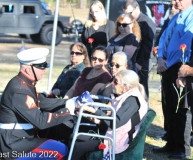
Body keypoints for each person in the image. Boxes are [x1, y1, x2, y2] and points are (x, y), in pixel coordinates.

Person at [0, 48, 75, 160]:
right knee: (61, 150)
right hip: (12, 143)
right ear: (29, 70)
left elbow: (43, 102)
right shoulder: (20, 89)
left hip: (17, 138)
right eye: (41, 66)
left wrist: (72, 101)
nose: (44, 70)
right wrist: (68, 111)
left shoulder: (24, 84)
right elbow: (40, 121)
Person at [69, 70, 148, 160]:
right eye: (113, 79)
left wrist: (92, 110)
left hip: (119, 141)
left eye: (115, 81)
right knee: (75, 136)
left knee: (78, 144)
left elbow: (116, 123)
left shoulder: (132, 100)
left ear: (125, 87)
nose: (112, 83)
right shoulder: (125, 96)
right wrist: (89, 115)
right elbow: (111, 122)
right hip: (111, 133)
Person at [153, 0, 193, 158]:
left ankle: (182, 148)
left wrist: (176, 67)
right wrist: (161, 58)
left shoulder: (191, 17)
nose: (175, 2)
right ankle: (170, 141)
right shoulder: (176, 17)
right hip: (167, 66)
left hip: (181, 66)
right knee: (168, 106)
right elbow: (163, 38)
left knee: (181, 108)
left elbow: (187, 45)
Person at [122, 0, 156, 97]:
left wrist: (139, 63)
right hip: (129, 61)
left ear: (136, 8)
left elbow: (147, 45)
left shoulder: (146, 23)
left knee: (141, 90)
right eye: (125, 13)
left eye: (129, 13)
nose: (127, 15)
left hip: (141, 63)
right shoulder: (129, 21)